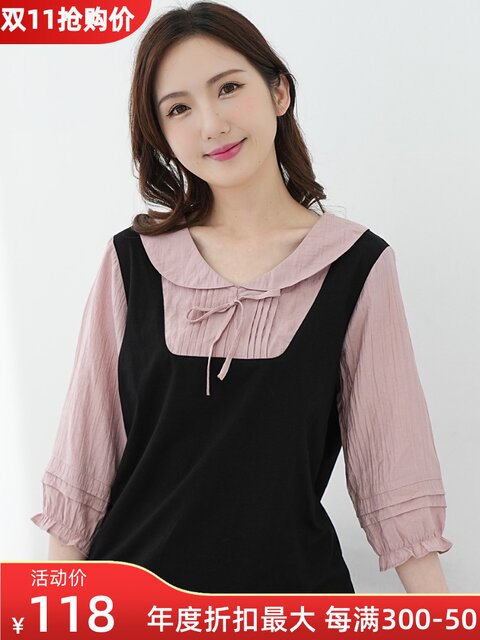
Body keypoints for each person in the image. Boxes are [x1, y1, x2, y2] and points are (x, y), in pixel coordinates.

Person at [31, 1, 453, 593]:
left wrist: (441, 617)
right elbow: (83, 471)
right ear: (162, 134)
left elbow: (395, 476)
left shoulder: (356, 265)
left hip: (288, 609)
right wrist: (53, 610)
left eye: (228, 88)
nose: (211, 124)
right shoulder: (131, 262)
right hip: (134, 609)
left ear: (279, 91)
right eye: (179, 108)